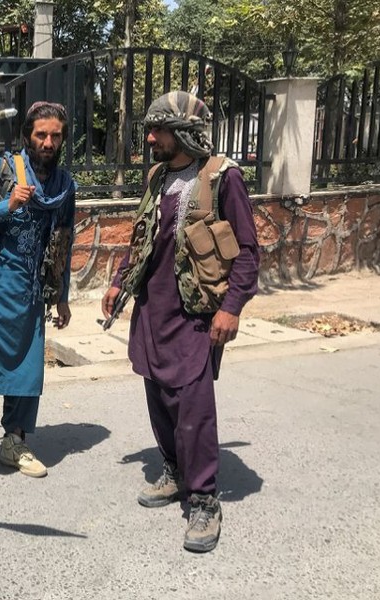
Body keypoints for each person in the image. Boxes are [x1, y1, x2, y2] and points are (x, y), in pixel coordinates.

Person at [101, 91, 259, 553]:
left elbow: (247, 250)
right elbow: (141, 237)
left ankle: (205, 499)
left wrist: (232, 307)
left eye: (158, 129)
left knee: (192, 407)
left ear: (185, 132)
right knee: (158, 396)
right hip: (153, 307)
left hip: (197, 311)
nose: (149, 137)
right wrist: (118, 281)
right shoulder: (156, 176)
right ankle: (173, 470)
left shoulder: (223, 178)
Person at [0, 101, 77, 483]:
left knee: (26, 373)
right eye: (41, 135)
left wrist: (62, 295)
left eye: (56, 135)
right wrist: (7, 205)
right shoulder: (1, 171)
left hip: (31, 292)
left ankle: (14, 442)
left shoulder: (64, 186)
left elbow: (64, 242)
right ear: (27, 137)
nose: (48, 142)